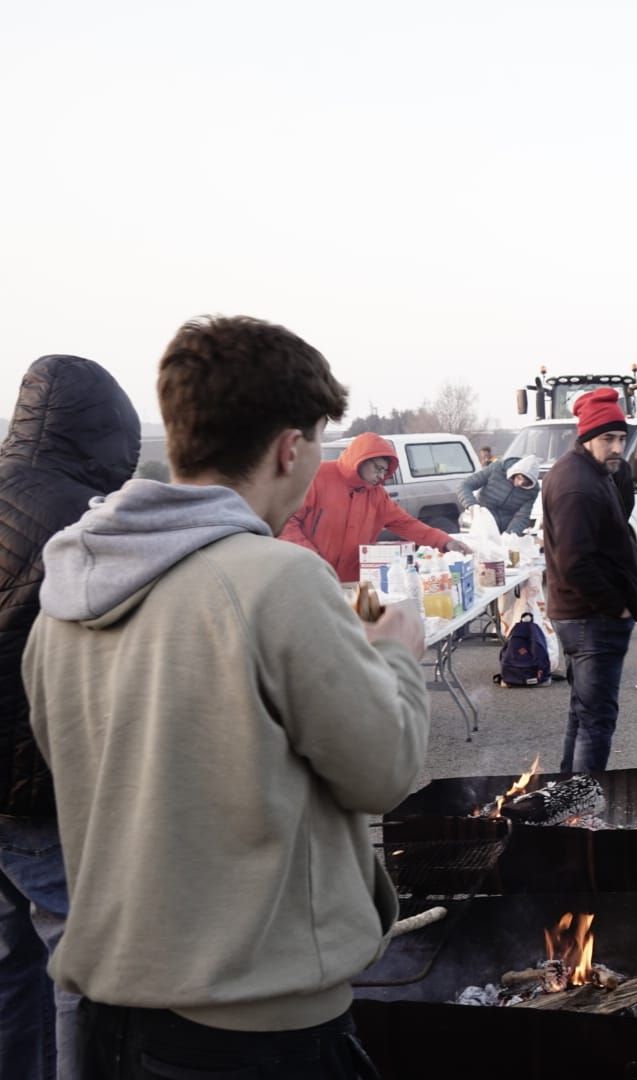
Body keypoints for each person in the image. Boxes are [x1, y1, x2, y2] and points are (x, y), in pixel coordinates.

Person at [22, 315, 431, 1079]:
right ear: (288, 447)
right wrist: (398, 658)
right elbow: (382, 771)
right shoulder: (276, 580)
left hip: (117, 1019)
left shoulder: (66, 593)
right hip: (257, 1030)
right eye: (317, 445)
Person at [1, 355, 140, 1080]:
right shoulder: (83, 521)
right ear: (106, 432)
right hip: (41, 790)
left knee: (6, 969)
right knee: (79, 966)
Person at [542, 386, 637, 772]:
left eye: (621, 438)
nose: (617, 447)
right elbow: (575, 563)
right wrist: (615, 608)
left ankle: (568, 800)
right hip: (591, 619)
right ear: (586, 438)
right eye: (608, 439)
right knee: (596, 722)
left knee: (583, 716)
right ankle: (581, 815)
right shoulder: (577, 485)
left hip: (586, 617)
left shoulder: (591, 471)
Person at [281, 430, 470, 579]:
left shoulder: (377, 495)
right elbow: (286, 522)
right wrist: (311, 562)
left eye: (385, 471)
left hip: (352, 584)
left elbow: (406, 523)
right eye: (378, 469)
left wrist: (445, 542)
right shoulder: (318, 477)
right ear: (361, 460)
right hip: (310, 578)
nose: (381, 476)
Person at [458, 452, 541, 533]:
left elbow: (522, 516)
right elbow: (464, 485)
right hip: (482, 523)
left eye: (525, 483)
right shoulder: (497, 469)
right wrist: (472, 505)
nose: (519, 484)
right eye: (519, 478)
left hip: (505, 528)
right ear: (514, 472)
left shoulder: (532, 491)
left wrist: (509, 535)